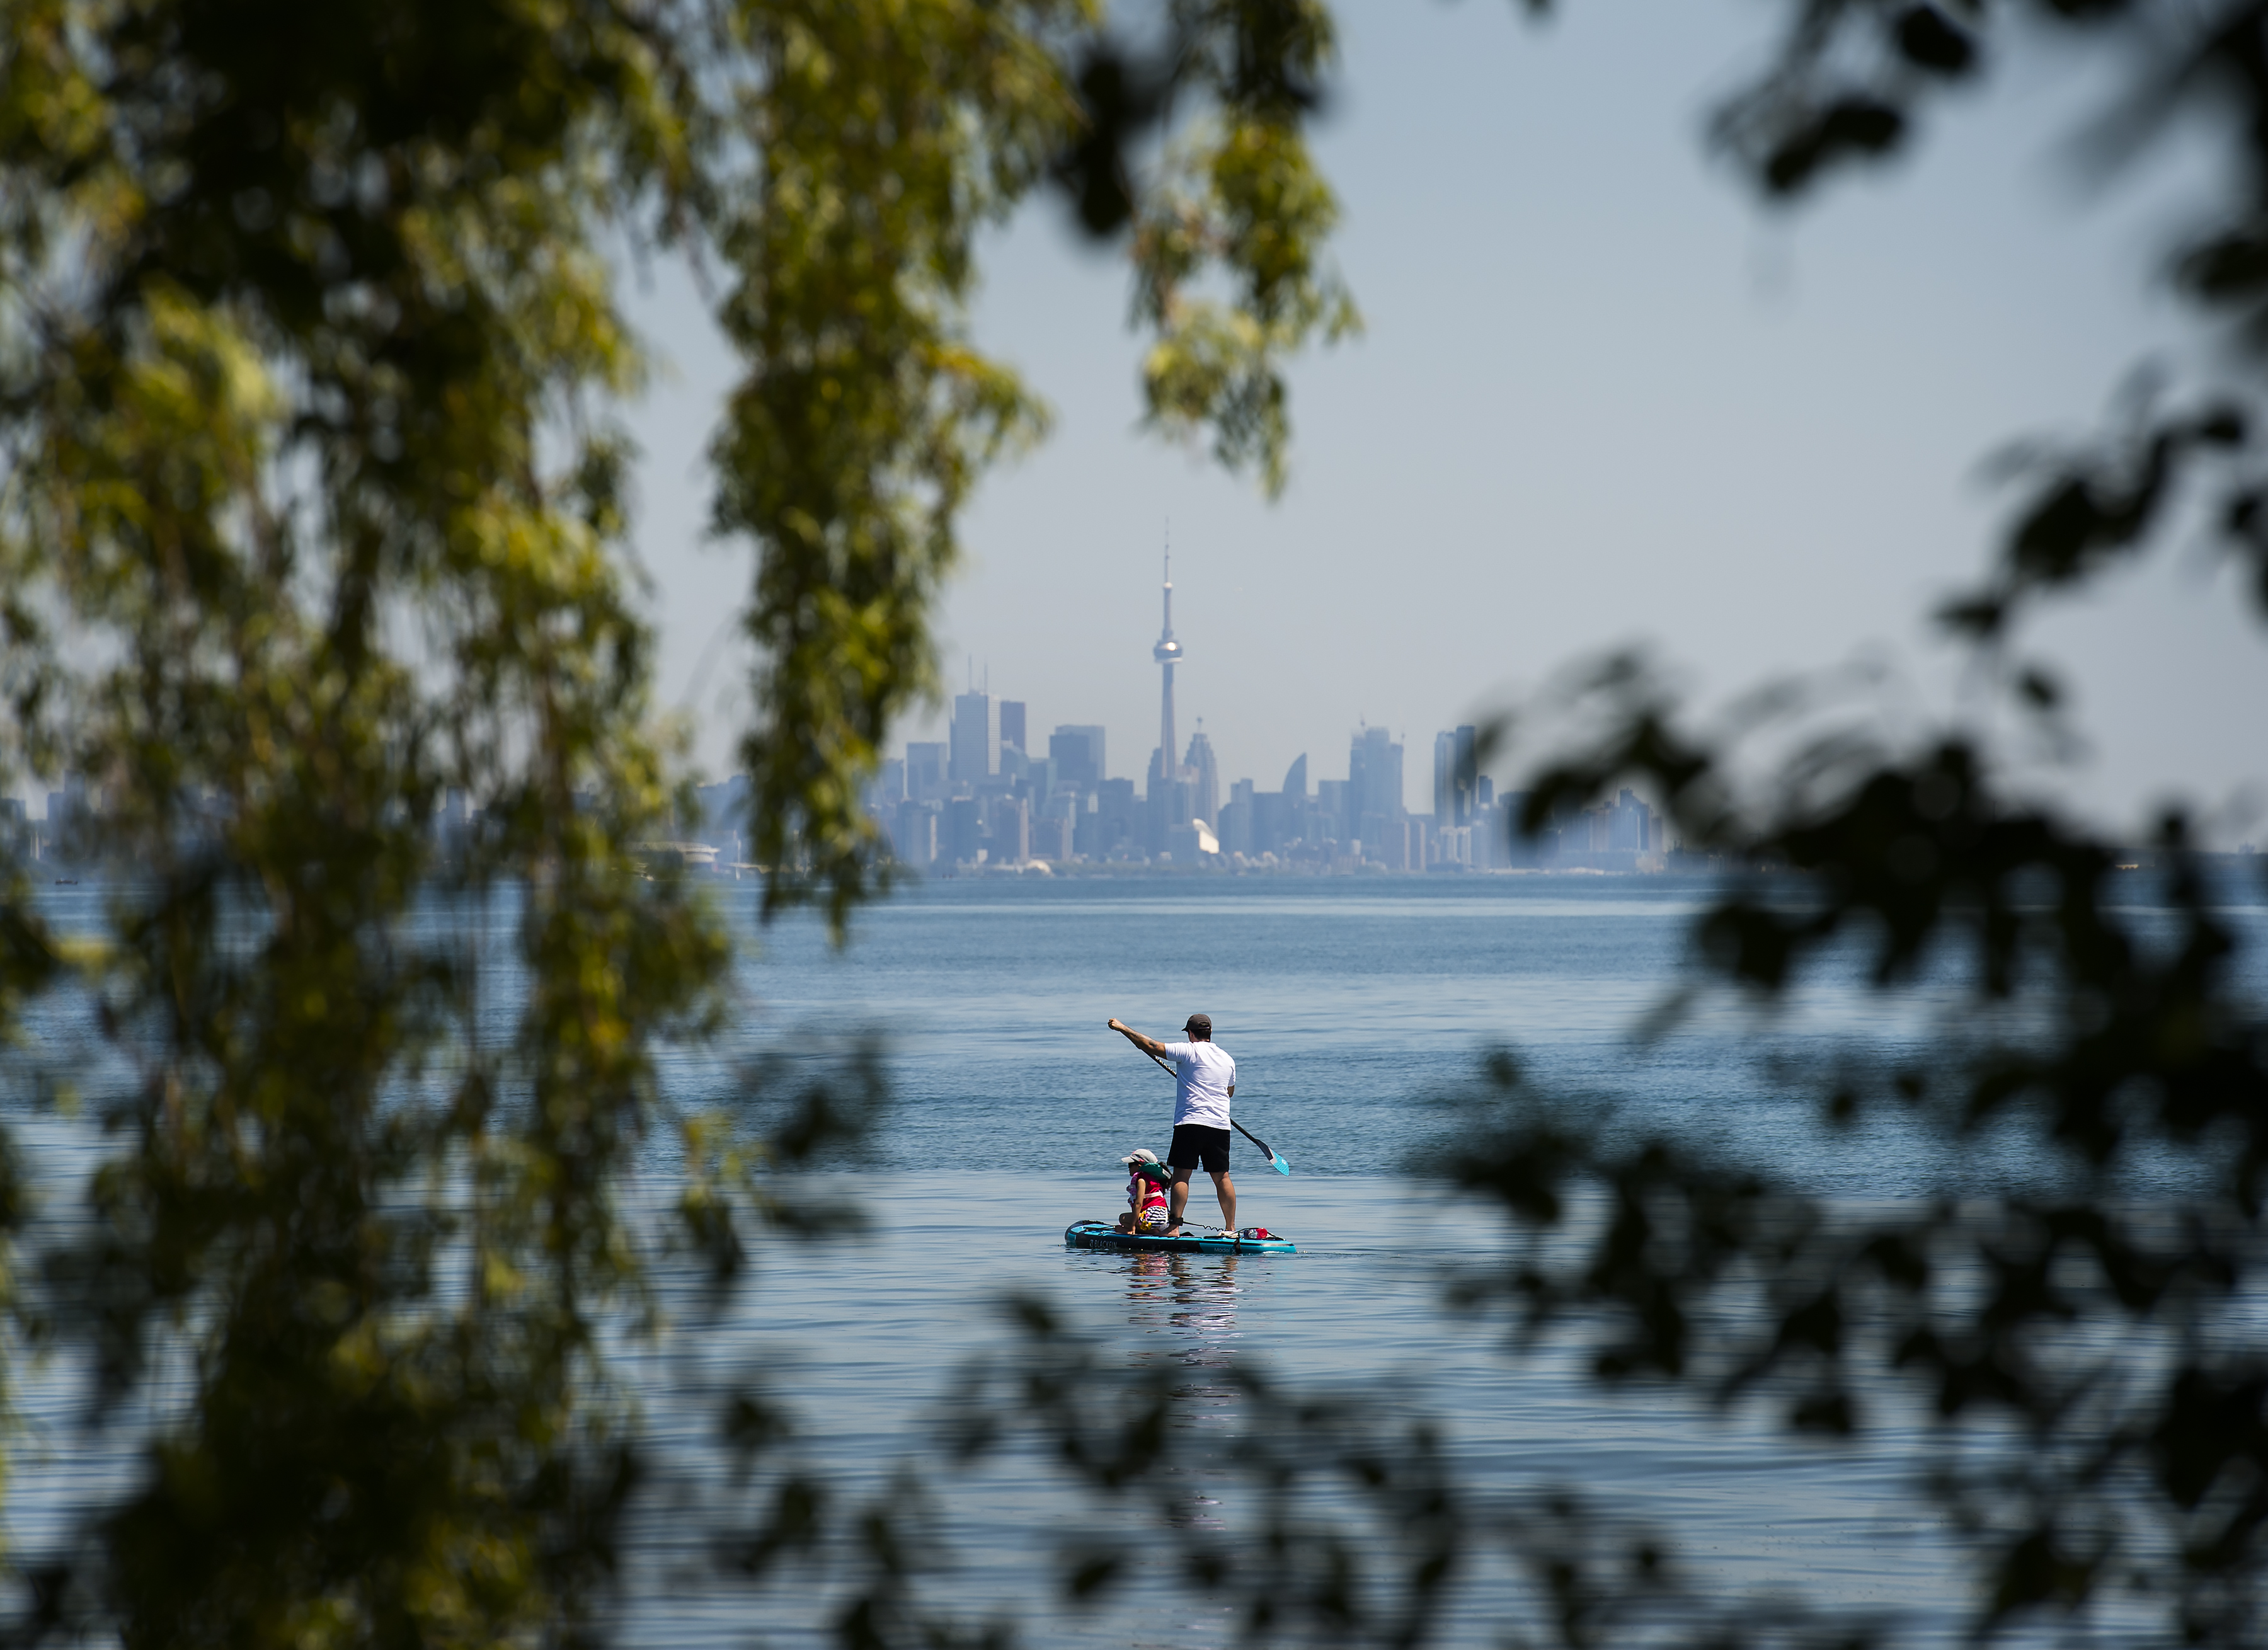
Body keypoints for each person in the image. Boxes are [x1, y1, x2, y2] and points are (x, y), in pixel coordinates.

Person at [1106, 1012, 1235, 1236]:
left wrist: (1122, 1028)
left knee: (1182, 1176)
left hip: (1191, 1123)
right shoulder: (1227, 1059)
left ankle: (1174, 1226)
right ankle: (1231, 1228)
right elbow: (1229, 1093)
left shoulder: (1188, 1050)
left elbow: (1149, 1044)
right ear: (1210, 1033)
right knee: (1222, 1177)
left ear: (1191, 1034)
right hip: (1220, 1124)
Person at [1116, 1148, 1172, 1235]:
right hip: (1162, 1218)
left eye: (1130, 1165)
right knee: (1120, 1226)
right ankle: (1150, 1230)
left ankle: (1151, 1232)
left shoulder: (1141, 1180)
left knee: (1123, 1218)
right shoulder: (1152, 1179)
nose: (1128, 1168)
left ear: (1139, 1166)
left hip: (1154, 1218)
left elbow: (1138, 1204)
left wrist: (1132, 1226)